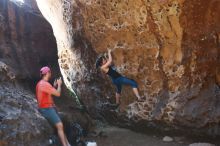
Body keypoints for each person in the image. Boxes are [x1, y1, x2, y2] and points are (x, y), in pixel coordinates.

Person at [36, 66, 71, 146]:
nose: (50, 74)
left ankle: (68, 144)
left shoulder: (41, 83)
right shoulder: (44, 84)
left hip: (49, 108)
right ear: (47, 73)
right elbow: (58, 94)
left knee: (61, 125)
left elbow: (48, 92)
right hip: (46, 109)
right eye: (50, 72)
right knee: (60, 125)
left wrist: (54, 86)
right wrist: (59, 85)